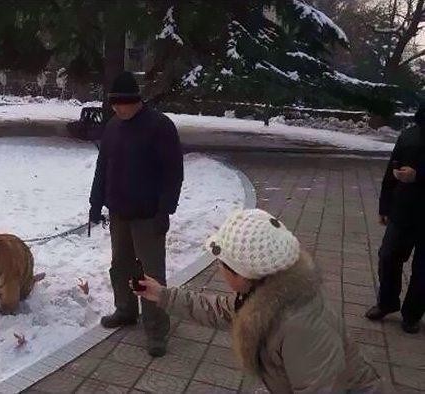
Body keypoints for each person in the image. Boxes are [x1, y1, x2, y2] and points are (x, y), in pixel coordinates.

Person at [134, 209, 386, 393]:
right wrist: (162, 295)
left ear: (243, 274)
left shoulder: (300, 325)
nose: (219, 270)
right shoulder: (267, 295)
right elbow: (220, 310)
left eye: (222, 264)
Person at [89, 71, 184, 357]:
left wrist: (165, 209)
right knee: (121, 267)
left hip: (148, 215)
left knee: (152, 275)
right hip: (119, 213)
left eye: (121, 103)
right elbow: (102, 168)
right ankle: (125, 311)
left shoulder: (159, 126)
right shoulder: (113, 127)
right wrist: (96, 203)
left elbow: (173, 173)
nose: (116, 108)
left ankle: (156, 330)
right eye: (113, 103)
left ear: (135, 101)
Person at [366, 104, 425, 334]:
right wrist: (384, 204)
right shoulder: (410, 134)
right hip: (403, 210)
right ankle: (387, 302)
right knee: (388, 256)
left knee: (423, 271)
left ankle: (412, 314)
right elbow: (393, 166)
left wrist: (419, 176)